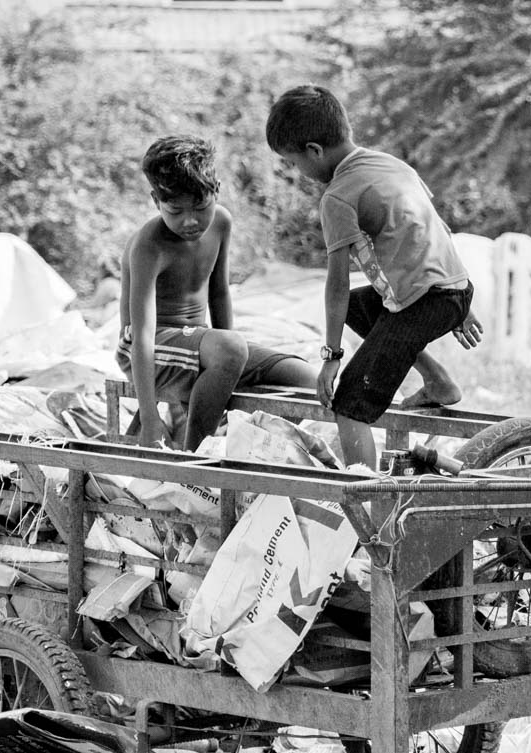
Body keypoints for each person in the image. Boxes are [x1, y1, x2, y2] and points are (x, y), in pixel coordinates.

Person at [264, 84, 483, 471]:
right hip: (454, 288)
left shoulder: (337, 197)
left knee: (349, 405)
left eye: (295, 162)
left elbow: (336, 284)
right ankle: (439, 383)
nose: (299, 172)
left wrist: (331, 359)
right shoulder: (391, 164)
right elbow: (439, 229)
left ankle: (367, 510)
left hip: (423, 303)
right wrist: (461, 301)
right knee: (358, 308)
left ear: (314, 150)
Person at [117, 136, 317, 449]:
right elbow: (141, 334)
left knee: (308, 380)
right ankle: (196, 456)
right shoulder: (148, 246)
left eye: (200, 206)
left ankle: (240, 443)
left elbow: (219, 293)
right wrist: (148, 414)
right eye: (175, 210)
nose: (190, 220)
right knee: (232, 349)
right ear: (156, 201)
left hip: (200, 343)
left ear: (216, 190)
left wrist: (228, 364)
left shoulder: (221, 222)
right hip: (148, 347)